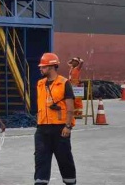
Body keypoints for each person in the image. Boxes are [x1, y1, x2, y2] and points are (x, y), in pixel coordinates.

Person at [35, 52, 77, 185]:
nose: (40, 69)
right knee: (41, 159)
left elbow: (70, 108)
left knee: (65, 159)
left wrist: (68, 126)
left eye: (43, 67)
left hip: (60, 129)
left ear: (52, 67)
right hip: (42, 129)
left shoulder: (64, 83)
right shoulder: (40, 84)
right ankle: (40, 182)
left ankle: (70, 181)